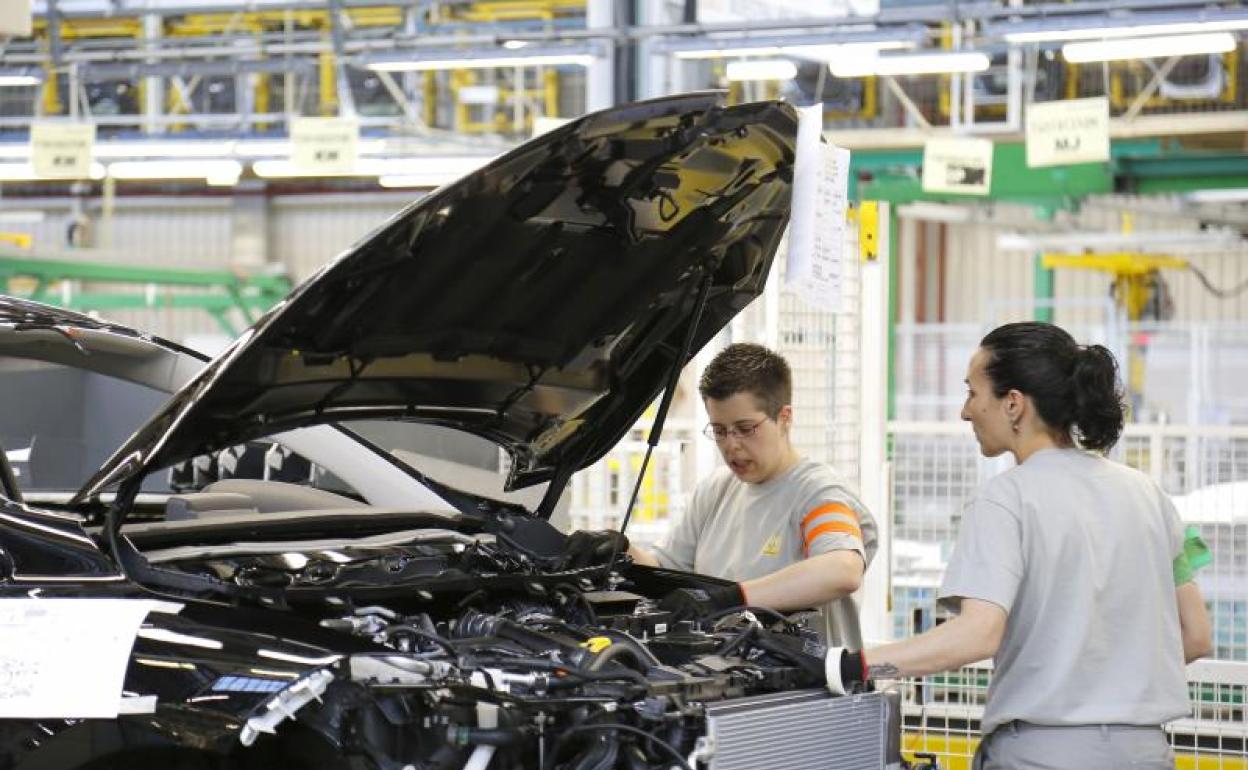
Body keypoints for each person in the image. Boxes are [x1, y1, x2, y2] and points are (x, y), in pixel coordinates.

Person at [852, 322, 1212, 769]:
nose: (966, 411)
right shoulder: (1148, 494)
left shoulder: (1007, 498)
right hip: (1145, 754)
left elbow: (977, 634)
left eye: (972, 393)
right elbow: (1196, 636)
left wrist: (858, 666)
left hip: (1043, 754)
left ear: (1013, 404)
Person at [565, 343, 878, 627]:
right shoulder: (715, 491)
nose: (732, 445)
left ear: (784, 418)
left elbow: (842, 569)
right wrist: (621, 547)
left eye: (745, 428)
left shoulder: (818, 494)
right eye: (719, 430)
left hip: (811, 685)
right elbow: (666, 570)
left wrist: (732, 598)